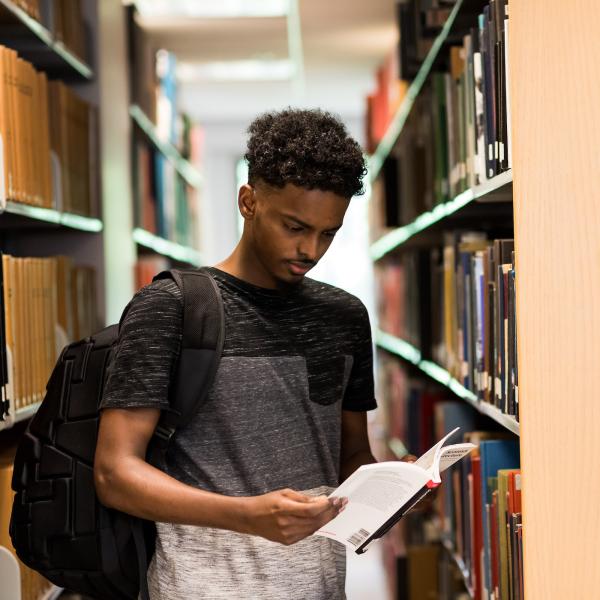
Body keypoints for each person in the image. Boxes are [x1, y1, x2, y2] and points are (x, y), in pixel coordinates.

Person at [94, 108, 379, 599]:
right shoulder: (173, 307)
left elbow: (351, 455)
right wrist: (247, 516)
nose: (310, 249)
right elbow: (114, 473)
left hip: (322, 588)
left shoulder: (345, 317)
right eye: (294, 226)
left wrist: (391, 493)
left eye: (328, 233)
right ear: (248, 202)